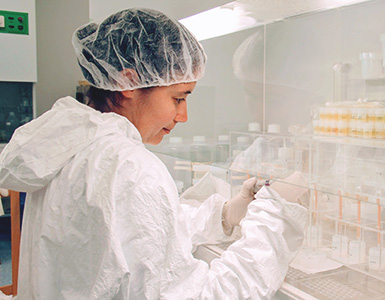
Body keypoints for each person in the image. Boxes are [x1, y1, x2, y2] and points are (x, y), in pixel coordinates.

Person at [0, 8, 307, 299]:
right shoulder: (130, 167)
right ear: (129, 82)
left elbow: (129, 240)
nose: (183, 115)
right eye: (178, 98)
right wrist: (273, 216)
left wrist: (223, 215)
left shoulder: (74, 146)